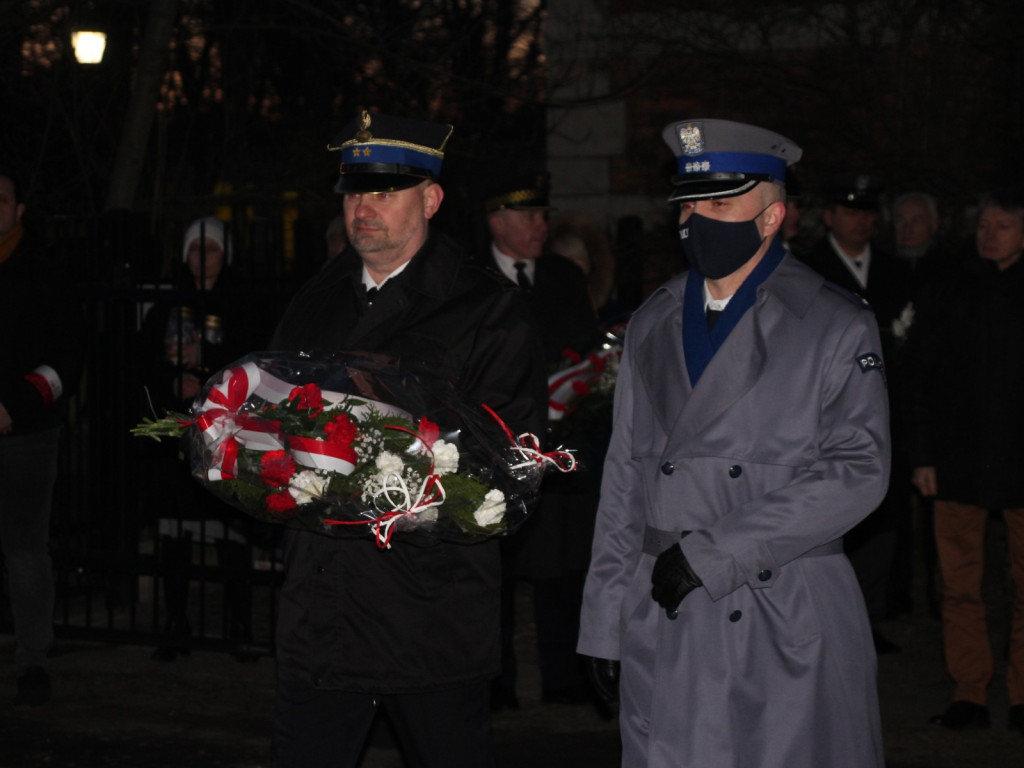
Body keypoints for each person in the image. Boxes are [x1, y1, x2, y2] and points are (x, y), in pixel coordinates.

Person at [577, 119, 891, 767]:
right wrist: (604, 622)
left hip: (783, 603)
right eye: (688, 204)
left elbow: (859, 469)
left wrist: (719, 552)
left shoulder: (833, 323)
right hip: (663, 607)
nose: (697, 220)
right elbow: (625, 480)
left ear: (772, 215)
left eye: (720, 204)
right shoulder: (653, 321)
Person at [268, 110, 546, 767]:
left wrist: (373, 460)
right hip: (323, 611)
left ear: (431, 199)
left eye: (384, 191)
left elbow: (504, 472)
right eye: (355, 191)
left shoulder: (485, 310)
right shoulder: (313, 300)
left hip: (428, 612)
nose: (364, 207)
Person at [902, 188, 1024, 735]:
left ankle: (1022, 693)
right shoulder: (948, 286)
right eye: (984, 224)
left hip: (1021, 461)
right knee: (959, 584)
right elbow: (918, 378)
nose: (989, 233)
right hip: (957, 460)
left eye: (1002, 225)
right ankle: (970, 690)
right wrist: (922, 454)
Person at [477, 172, 600, 712]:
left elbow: (586, 349)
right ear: (497, 221)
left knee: (561, 564)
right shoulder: (472, 280)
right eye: (529, 217)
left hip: (557, 441)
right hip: (493, 445)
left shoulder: (562, 277)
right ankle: (494, 680)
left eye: (544, 216)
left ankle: (563, 676)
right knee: (493, 571)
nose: (541, 226)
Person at [137, 216, 264, 662]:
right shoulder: (166, 305)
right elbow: (145, 365)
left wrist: (207, 366)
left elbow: (255, 360)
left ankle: (240, 626)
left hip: (229, 432)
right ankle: (176, 625)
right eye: (195, 249)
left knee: (230, 529)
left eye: (211, 249)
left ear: (225, 254)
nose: (202, 257)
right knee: (176, 534)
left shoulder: (242, 302)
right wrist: (176, 385)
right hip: (180, 432)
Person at [800, 172, 913, 650]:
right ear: (829, 217)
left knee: (883, 516)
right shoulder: (807, 270)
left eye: (868, 212)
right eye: (851, 211)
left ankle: (870, 614)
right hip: (826, 410)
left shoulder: (896, 271)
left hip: (890, 408)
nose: (861, 221)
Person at [0, 166, 84, 707]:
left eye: (1, 199)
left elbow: (67, 356)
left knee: (25, 549)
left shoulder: (46, 270)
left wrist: (15, 407)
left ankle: (33, 660)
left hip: (24, 436)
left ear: (19, 208)